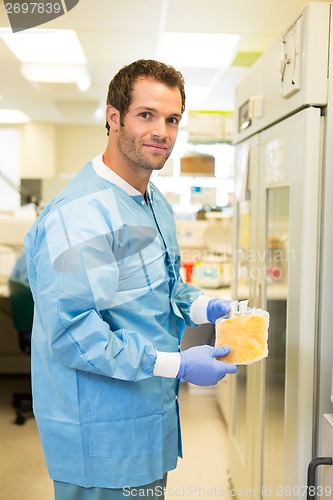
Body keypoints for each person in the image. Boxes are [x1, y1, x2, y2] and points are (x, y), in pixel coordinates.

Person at [24, 59, 238, 500]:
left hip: (146, 417)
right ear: (113, 117)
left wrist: (203, 307)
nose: (162, 131)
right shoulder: (83, 213)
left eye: (172, 119)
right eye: (146, 115)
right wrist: (178, 365)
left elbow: (161, 284)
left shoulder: (150, 198)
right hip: (102, 435)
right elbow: (72, 333)